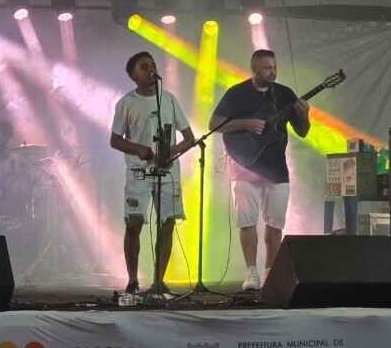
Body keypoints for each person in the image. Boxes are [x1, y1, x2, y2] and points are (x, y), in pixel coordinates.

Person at [209, 49, 311, 290]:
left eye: (274, 67)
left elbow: (303, 131)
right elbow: (214, 124)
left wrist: (305, 115)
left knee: (275, 225)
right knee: (247, 222)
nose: (272, 71)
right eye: (267, 68)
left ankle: (269, 273)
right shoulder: (237, 93)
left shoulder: (285, 94)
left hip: (276, 169)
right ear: (254, 69)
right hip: (245, 167)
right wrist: (245, 123)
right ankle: (251, 272)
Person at [110, 51, 194, 294]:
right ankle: (133, 279)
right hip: (138, 171)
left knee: (166, 223)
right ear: (133, 75)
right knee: (134, 224)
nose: (150, 70)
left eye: (153, 66)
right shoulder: (126, 103)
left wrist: (172, 152)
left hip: (167, 172)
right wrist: (139, 149)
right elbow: (115, 140)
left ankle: (159, 281)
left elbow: (189, 137)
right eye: (144, 67)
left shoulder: (168, 99)